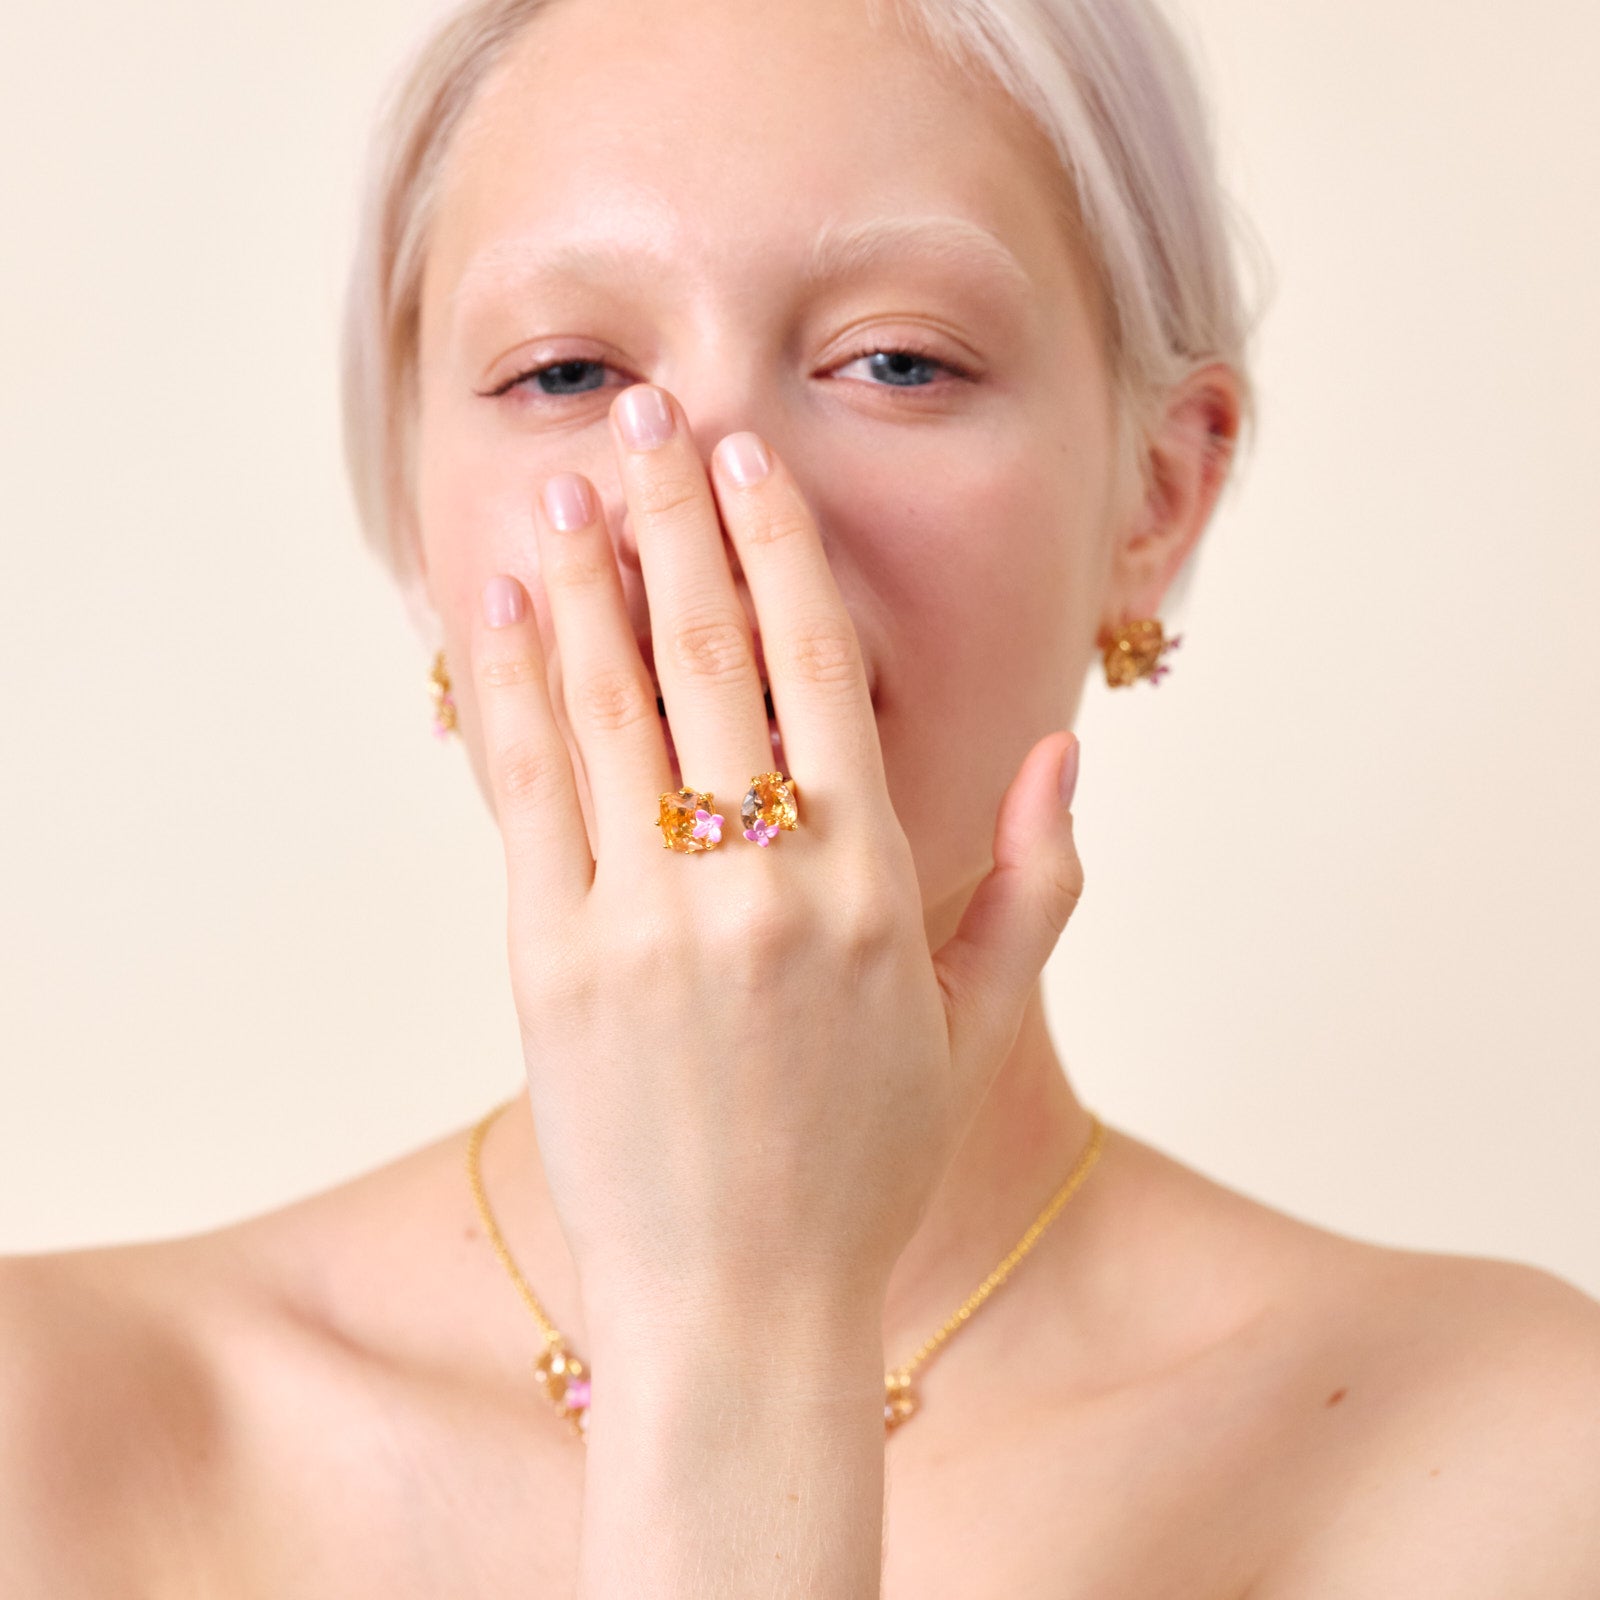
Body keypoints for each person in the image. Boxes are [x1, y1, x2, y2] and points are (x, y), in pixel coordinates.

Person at [4, 0, 1598, 1592]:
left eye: (899, 362)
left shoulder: (1518, 1458)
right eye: (566, 372)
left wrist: (755, 1311)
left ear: (1158, 498)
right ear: (420, 519)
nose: (701, 503)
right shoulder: (51, 1436)